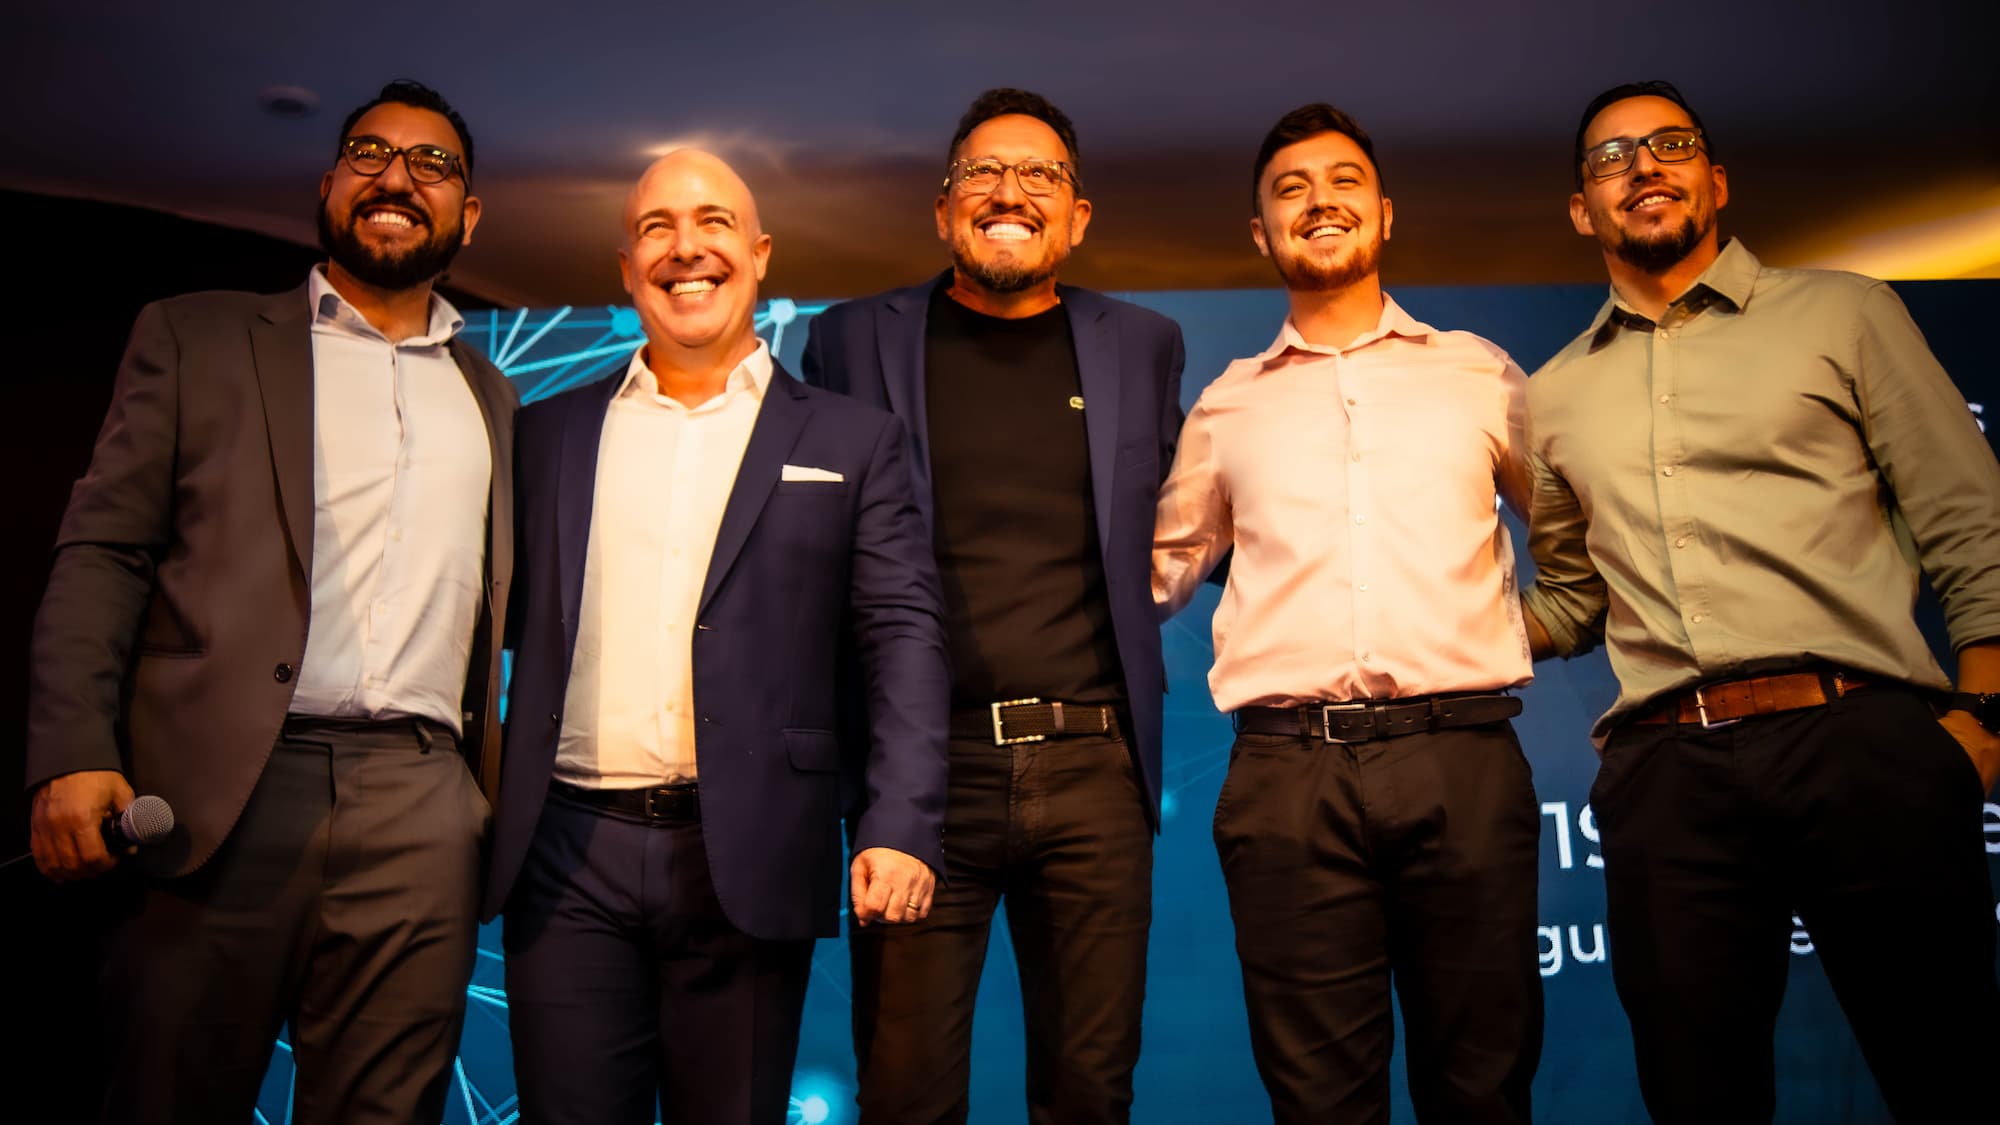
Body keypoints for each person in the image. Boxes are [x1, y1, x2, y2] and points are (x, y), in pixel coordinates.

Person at [24, 80, 512, 1124]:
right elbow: (104, 550)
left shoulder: (494, 395)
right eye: (370, 153)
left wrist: (474, 802)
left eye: (431, 163)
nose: (396, 177)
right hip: (219, 791)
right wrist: (72, 747)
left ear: (468, 215)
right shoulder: (197, 336)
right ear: (328, 184)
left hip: (424, 802)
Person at [1521, 79, 2000, 1121]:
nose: (1643, 168)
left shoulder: (1846, 313)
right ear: (1581, 209)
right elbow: (1571, 601)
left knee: (1949, 1071)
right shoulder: (1549, 394)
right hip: (1666, 776)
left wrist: (1978, 718)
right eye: (1611, 158)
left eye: (1670, 144)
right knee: (1698, 1099)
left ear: (1716, 179)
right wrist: (1403, 622)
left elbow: (1971, 519)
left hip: (1861, 740)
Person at [488, 148, 949, 1125]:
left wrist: (901, 820)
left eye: (712, 223)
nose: (685, 248)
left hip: (753, 849)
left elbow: (902, 637)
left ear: (760, 253)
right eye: (656, 228)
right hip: (565, 855)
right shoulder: (545, 434)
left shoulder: (851, 439)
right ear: (626, 268)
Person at [801, 87, 1185, 1124]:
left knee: (1090, 1093)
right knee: (904, 1094)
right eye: (982, 172)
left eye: (1040, 175)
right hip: (921, 774)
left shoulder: (1143, 344)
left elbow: (1186, 525)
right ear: (942, 209)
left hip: (1093, 767)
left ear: (1078, 215)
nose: (1009, 192)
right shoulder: (850, 342)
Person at [1153, 102, 1542, 1123]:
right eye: (1290, 189)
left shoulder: (1477, 372)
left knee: (1483, 1087)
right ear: (1261, 233)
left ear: (1384, 212)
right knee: (1319, 1102)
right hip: (1288, 778)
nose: (1318, 201)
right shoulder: (1227, 404)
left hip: (1462, 758)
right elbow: (1156, 571)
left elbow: (1582, 531)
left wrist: (1524, 630)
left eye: (1342, 182)